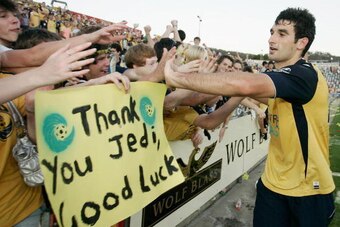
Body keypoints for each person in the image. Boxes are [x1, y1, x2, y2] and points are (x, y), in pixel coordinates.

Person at [164, 7, 335, 226]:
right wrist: (177, 95)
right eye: (272, 32)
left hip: (308, 190)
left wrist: (177, 77)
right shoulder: (280, 82)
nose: (271, 39)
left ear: (301, 43)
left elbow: (243, 84)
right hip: (272, 185)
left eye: (281, 34)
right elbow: (215, 108)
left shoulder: (304, 75)